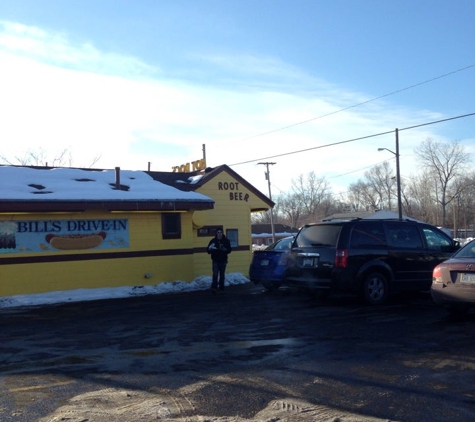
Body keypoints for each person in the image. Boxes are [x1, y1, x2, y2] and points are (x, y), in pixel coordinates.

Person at [207, 229, 232, 294]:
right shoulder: (213, 241)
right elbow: (208, 250)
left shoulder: (226, 241)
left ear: (222, 233)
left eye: (220, 232)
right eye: (218, 232)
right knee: (215, 274)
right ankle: (214, 288)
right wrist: (210, 249)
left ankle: (221, 288)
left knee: (222, 274)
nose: (219, 233)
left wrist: (225, 249)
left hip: (223, 260)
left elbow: (229, 250)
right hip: (215, 260)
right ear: (216, 233)